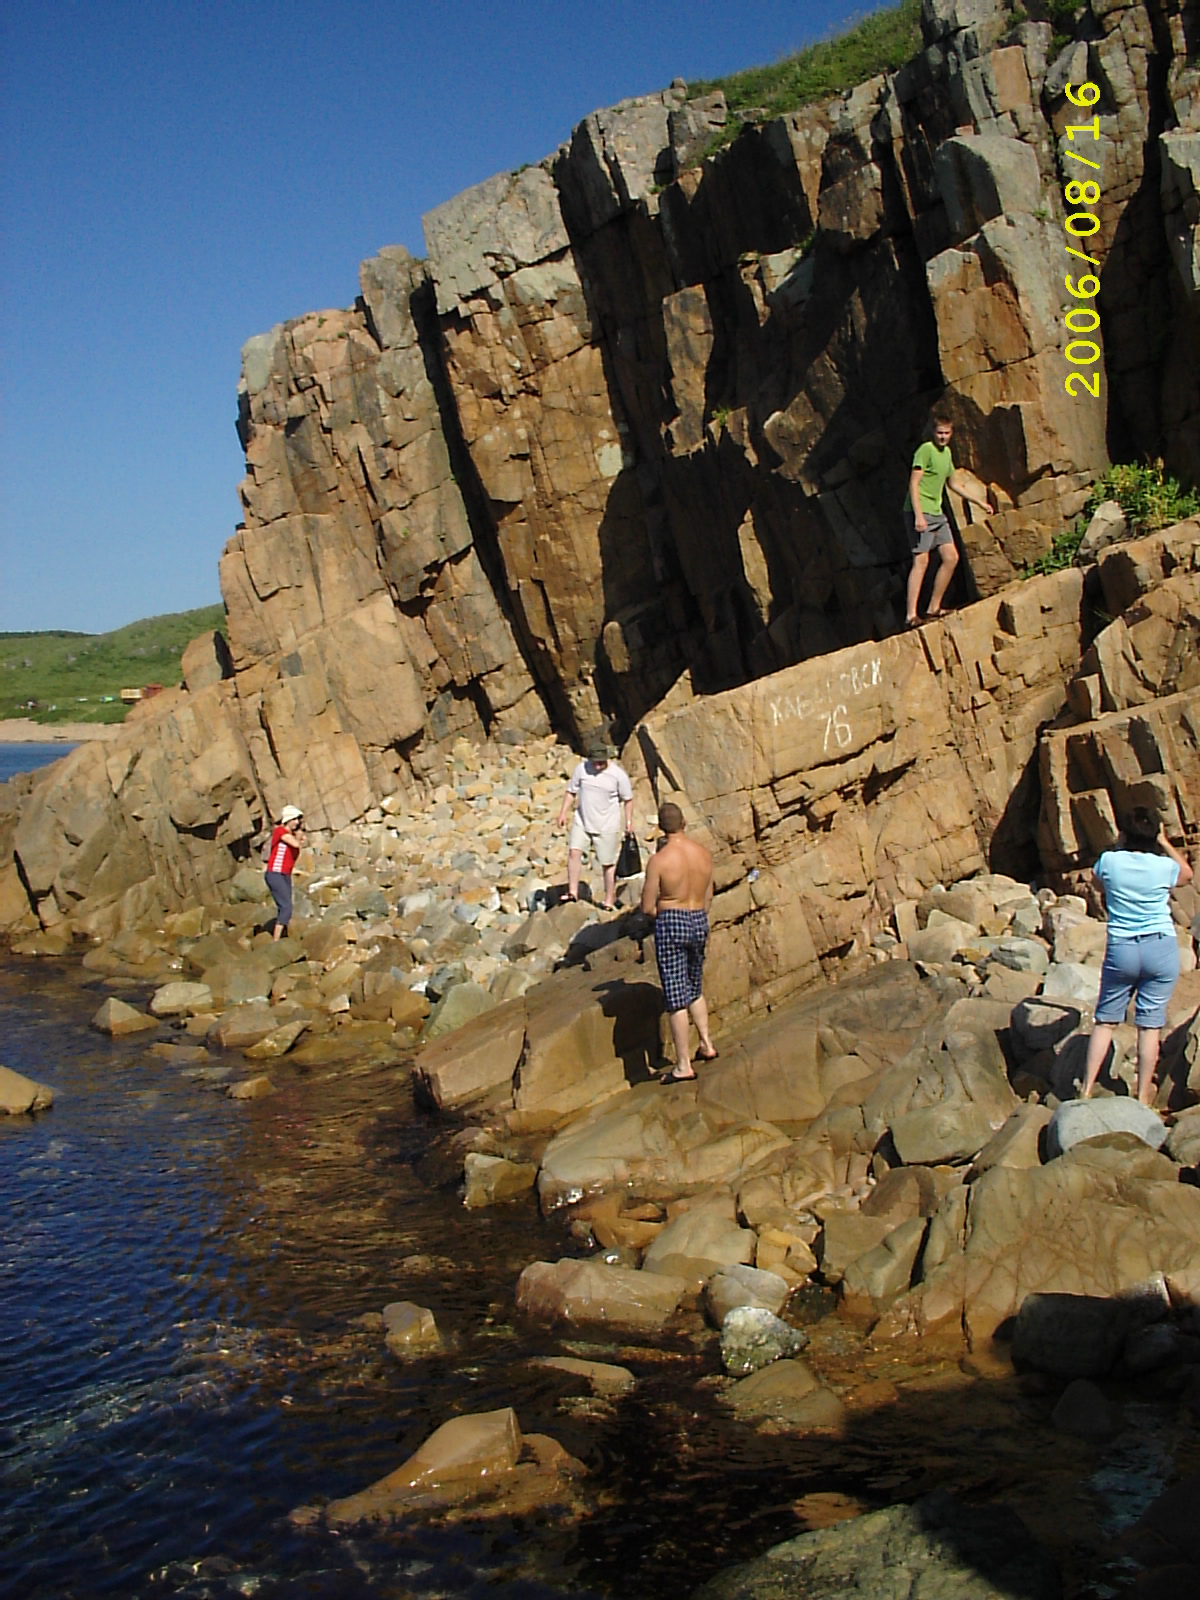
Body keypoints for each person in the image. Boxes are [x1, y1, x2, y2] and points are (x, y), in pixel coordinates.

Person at [1079, 804, 1193, 1105]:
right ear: (1154, 833)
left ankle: (1087, 1088)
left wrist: (1119, 845)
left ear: (1124, 833)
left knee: (1105, 1021)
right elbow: (1186, 875)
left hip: (1123, 947)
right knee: (1149, 1024)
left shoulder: (1109, 862)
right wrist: (1165, 842)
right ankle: (1142, 1097)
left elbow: (1096, 882)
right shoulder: (1163, 867)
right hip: (1160, 946)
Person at [640, 802, 717, 1082]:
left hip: (672, 919)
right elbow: (708, 895)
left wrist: (665, 910)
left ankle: (683, 1064)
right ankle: (707, 1044)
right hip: (698, 917)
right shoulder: (704, 854)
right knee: (694, 985)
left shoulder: (659, 861)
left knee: (676, 996)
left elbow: (648, 906)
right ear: (684, 822)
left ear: (661, 827)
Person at [904, 414, 994, 628]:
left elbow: (954, 483)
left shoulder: (947, 454)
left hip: (936, 512)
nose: (943, 437)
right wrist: (918, 515)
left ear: (951, 433)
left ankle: (934, 608)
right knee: (921, 561)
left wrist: (980, 502)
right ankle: (910, 615)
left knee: (951, 557)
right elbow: (914, 484)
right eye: (939, 433)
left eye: (946, 433)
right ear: (933, 432)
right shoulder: (925, 450)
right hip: (920, 511)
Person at [557, 739, 634, 911]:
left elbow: (628, 800)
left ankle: (608, 899)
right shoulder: (581, 769)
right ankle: (573, 892)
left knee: (607, 863)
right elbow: (571, 792)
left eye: (601, 762)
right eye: (595, 762)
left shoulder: (618, 775)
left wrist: (629, 822)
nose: (598, 766)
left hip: (607, 825)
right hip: (582, 820)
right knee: (574, 853)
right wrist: (563, 812)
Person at [264, 803, 306, 941]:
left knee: (287, 906)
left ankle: (282, 935)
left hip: (285, 874)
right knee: (286, 906)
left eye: (298, 820)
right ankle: (276, 941)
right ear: (288, 819)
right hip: (275, 873)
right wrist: (298, 837)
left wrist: (299, 836)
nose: (297, 822)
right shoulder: (280, 831)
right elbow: (295, 843)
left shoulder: (290, 834)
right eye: (294, 819)